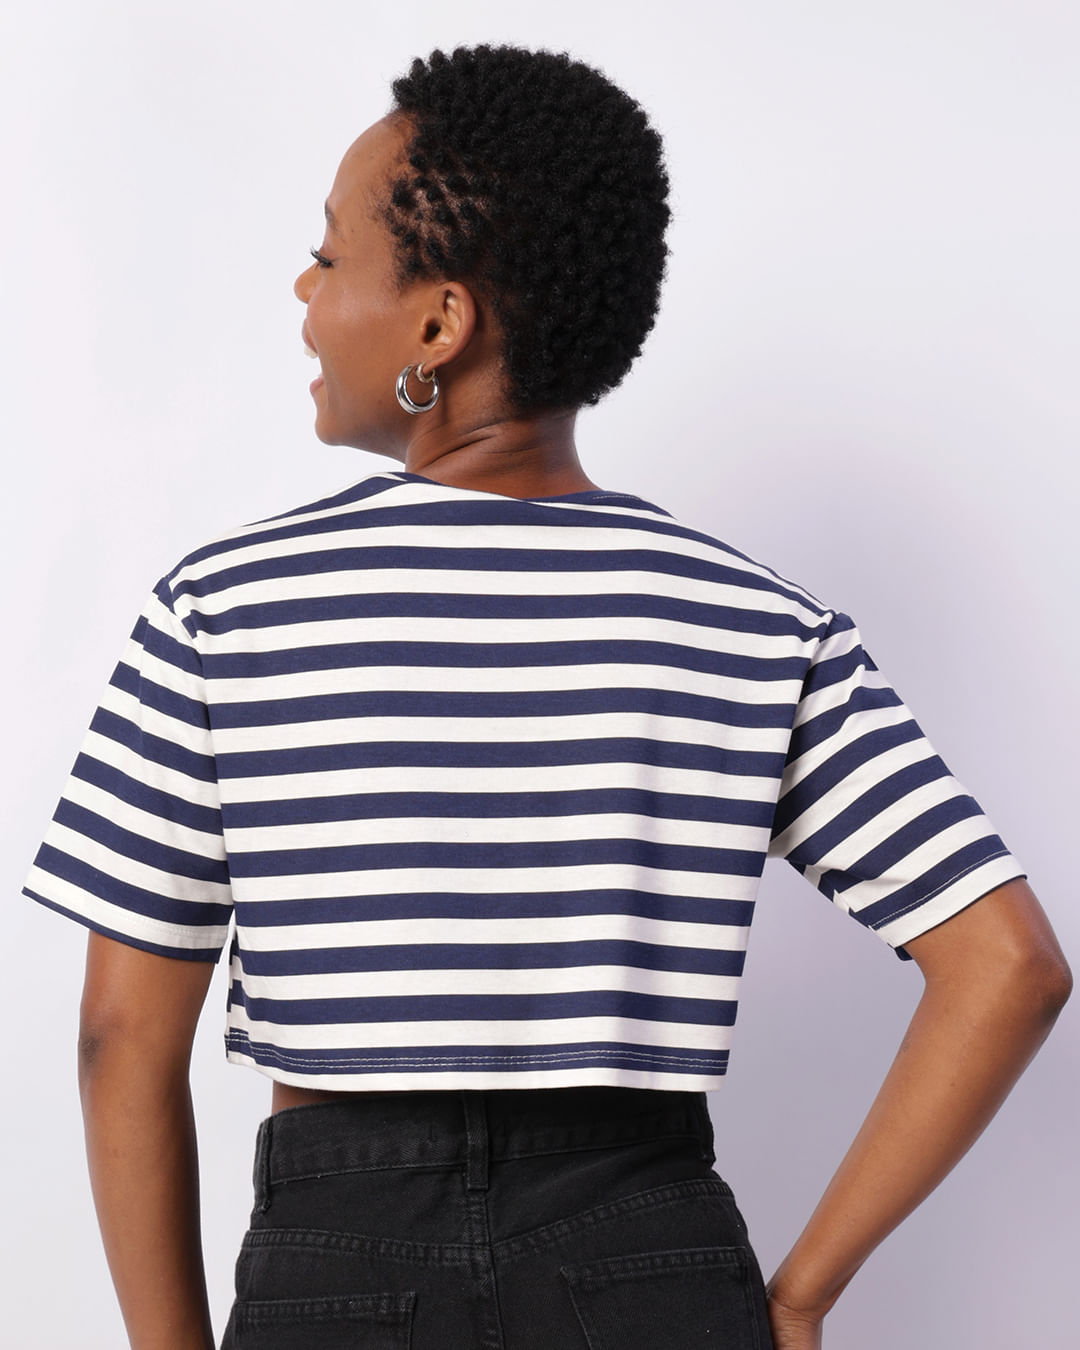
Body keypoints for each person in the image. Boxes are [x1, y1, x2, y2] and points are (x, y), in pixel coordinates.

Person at [22, 42, 1071, 1350]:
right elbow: (1009, 967)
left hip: (340, 1258)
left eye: (330, 255)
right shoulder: (753, 619)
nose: (303, 287)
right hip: (646, 1253)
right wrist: (800, 1293)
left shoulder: (226, 608)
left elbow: (120, 1038)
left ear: (438, 326)